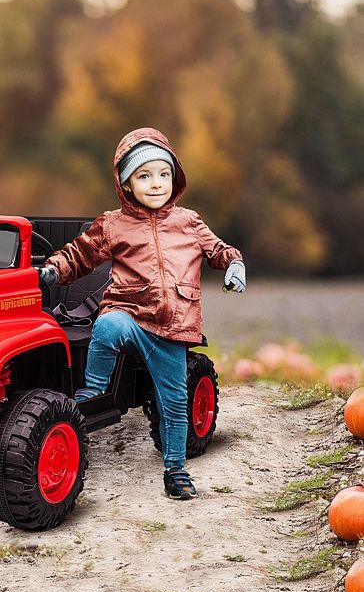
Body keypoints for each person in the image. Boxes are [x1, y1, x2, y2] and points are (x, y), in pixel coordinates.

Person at [38, 127, 245, 501]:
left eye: (164, 174)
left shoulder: (189, 222)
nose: (156, 183)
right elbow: (79, 254)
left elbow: (218, 249)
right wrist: (55, 269)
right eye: (144, 176)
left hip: (173, 327)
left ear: (175, 178)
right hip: (131, 314)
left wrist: (233, 264)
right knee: (107, 324)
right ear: (126, 184)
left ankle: (175, 469)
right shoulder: (113, 224)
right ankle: (95, 387)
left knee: (175, 404)